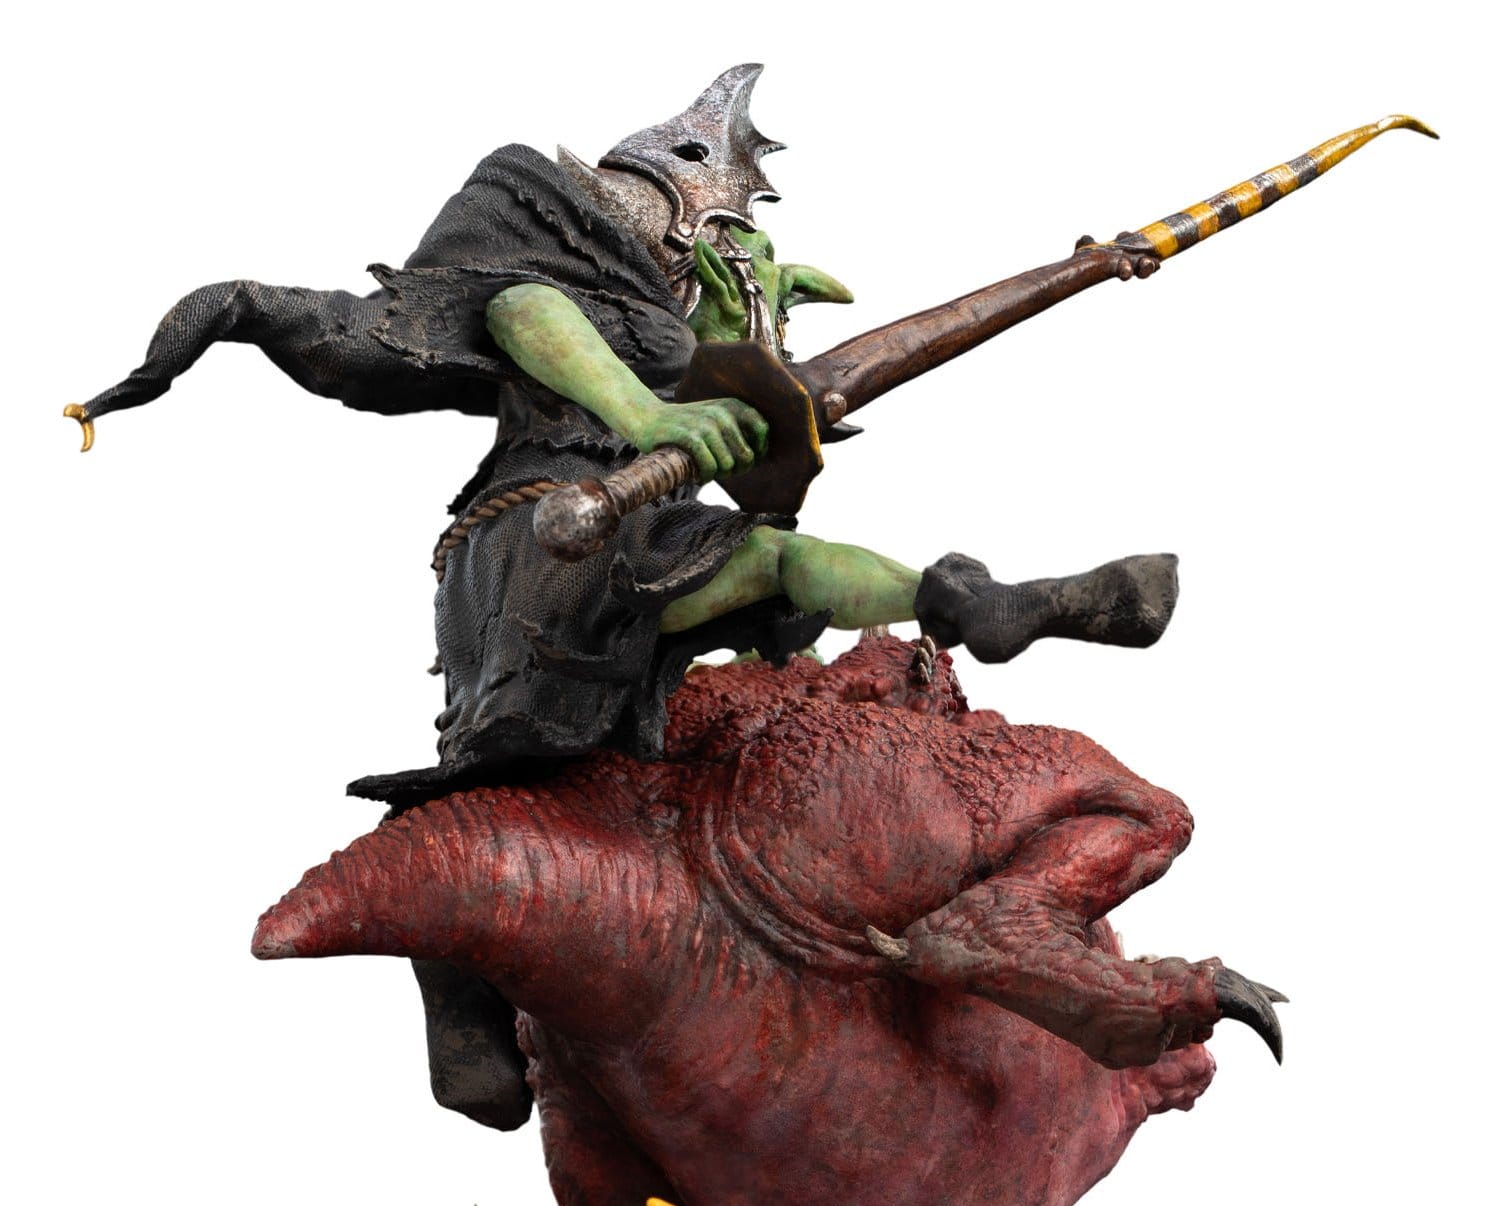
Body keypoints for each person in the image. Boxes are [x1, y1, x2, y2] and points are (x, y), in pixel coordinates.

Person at [70, 65, 1176, 809]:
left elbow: (849, 365)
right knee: (754, 569)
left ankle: (971, 605)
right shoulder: (555, 284)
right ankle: (965, 604)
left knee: (775, 562)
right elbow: (524, 314)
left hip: (635, 532)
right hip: (537, 531)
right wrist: (649, 417)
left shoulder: (674, 338)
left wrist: (1081, 266)